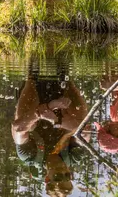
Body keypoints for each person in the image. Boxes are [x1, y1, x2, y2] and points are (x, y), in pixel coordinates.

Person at [12, 64, 88, 196]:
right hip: (63, 98)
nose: (63, 172)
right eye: (68, 176)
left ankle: (31, 75)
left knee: (24, 126)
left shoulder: (30, 157)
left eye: (58, 177)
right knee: (82, 125)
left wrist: (44, 110)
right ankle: (66, 76)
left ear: (47, 178)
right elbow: (85, 131)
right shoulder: (74, 156)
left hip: (32, 95)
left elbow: (17, 128)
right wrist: (57, 121)